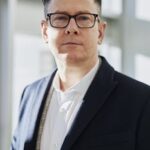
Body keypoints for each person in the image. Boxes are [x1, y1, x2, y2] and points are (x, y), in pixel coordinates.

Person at [11, 0, 150, 149]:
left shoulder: (141, 100)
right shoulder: (29, 95)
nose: (72, 28)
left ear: (100, 32)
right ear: (45, 31)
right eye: (60, 18)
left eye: (83, 18)